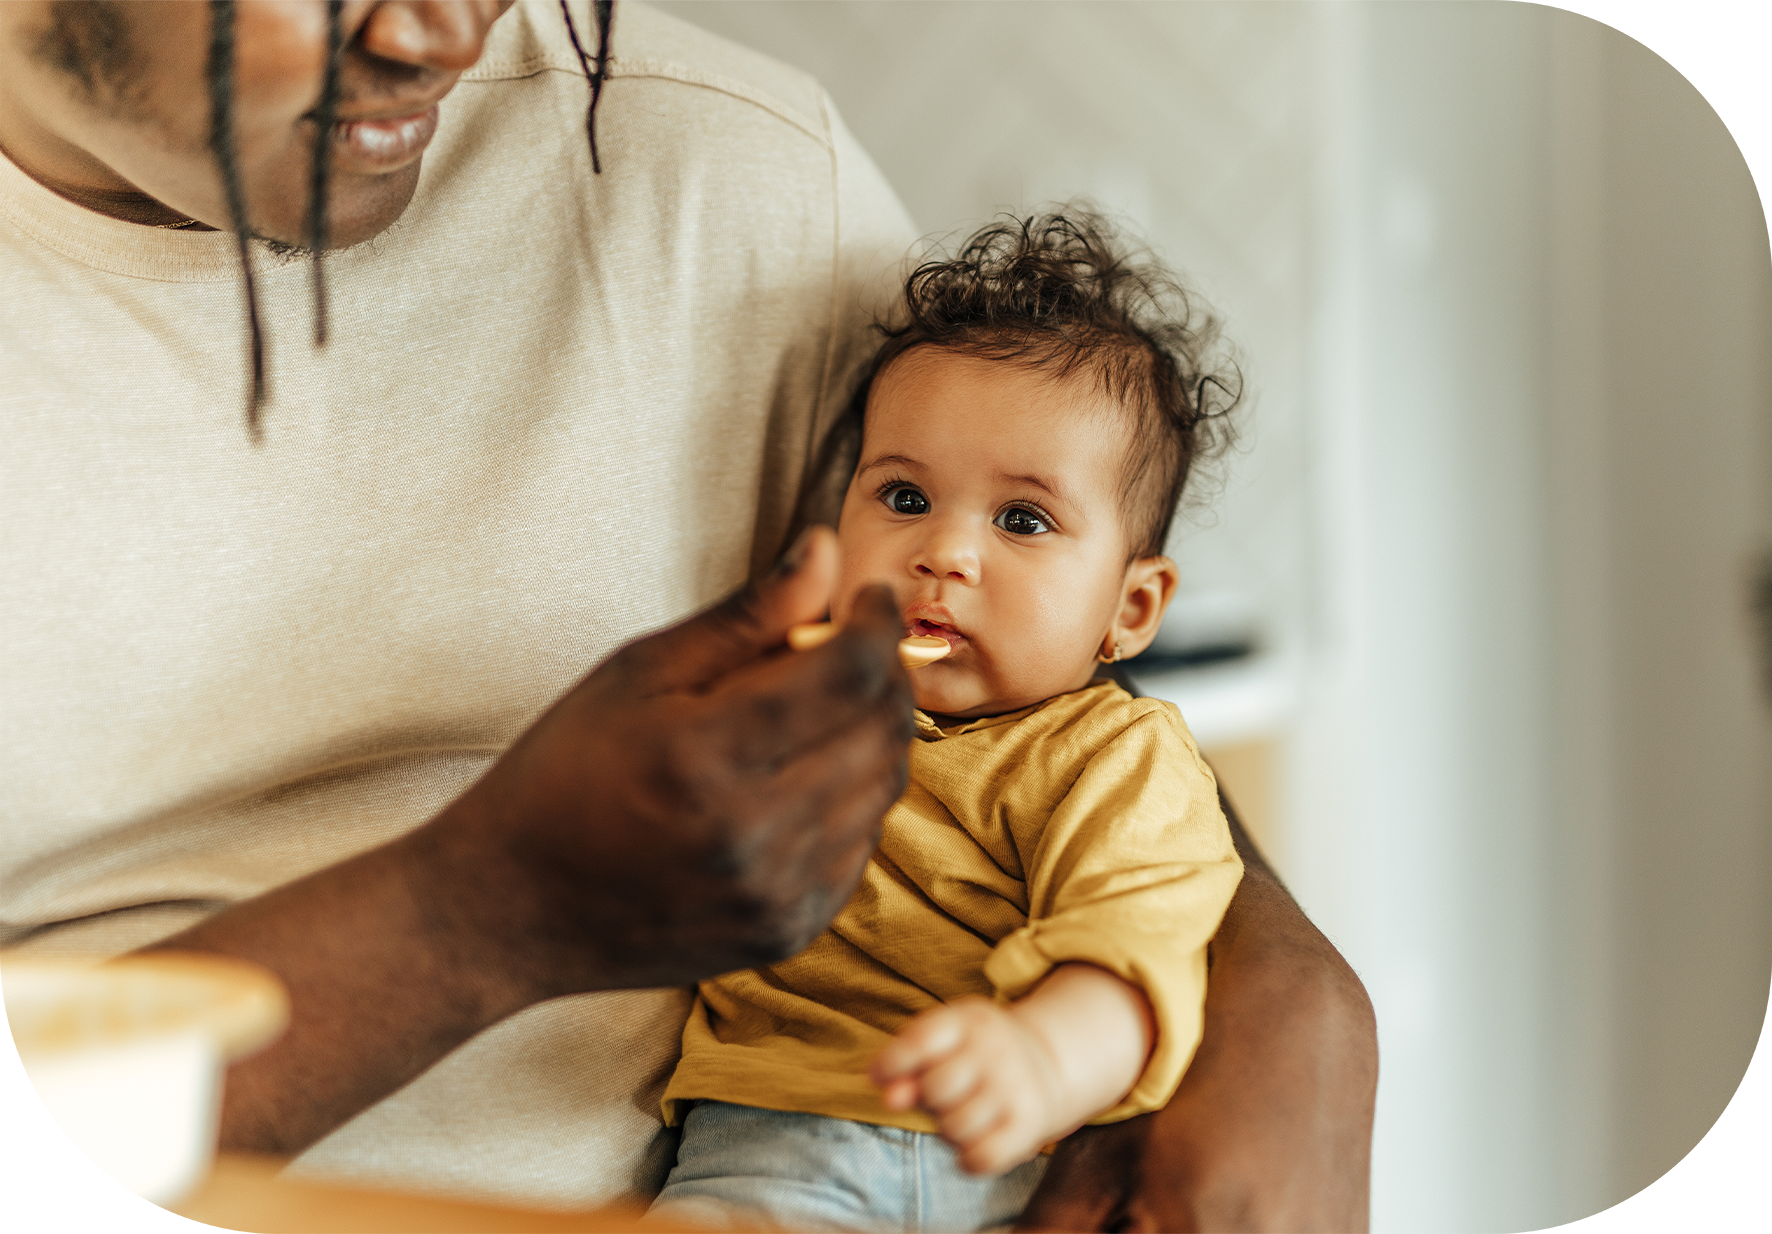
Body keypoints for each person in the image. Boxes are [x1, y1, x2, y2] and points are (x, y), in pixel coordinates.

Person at [0, 0, 1378, 1228]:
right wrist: (478, 914)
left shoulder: (734, 176)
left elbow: (1049, 728)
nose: (444, 32)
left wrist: (1294, 993)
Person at [647, 214, 1244, 1234]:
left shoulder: (1111, 758)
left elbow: (1132, 951)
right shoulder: (796, 700)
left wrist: (1040, 1059)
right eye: (904, 495)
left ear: (1129, 608)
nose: (944, 553)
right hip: (768, 1147)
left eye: (1021, 520)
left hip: (1006, 1165)